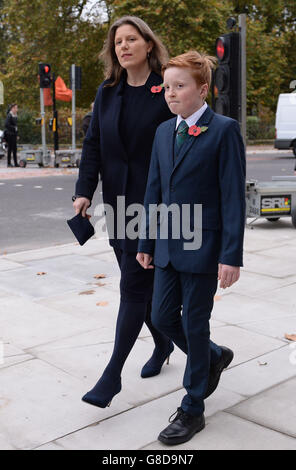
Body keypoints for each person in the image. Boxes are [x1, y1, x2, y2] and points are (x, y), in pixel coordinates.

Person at [137, 51, 246, 445]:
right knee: (163, 317)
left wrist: (231, 255)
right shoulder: (164, 131)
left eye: (179, 86)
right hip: (166, 245)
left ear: (203, 89)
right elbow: (154, 190)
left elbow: (233, 196)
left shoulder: (223, 130)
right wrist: (146, 240)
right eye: (166, 87)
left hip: (204, 248)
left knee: (194, 324)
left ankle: (193, 407)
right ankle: (213, 356)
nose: (170, 94)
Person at [73, 16, 174, 409]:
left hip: (157, 207)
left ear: (149, 44)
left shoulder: (165, 87)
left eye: (132, 39)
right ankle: (165, 342)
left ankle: (111, 376)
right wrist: (84, 193)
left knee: (133, 286)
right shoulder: (108, 91)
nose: (124, 46)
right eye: (118, 42)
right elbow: (93, 145)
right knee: (138, 287)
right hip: (117, 205)